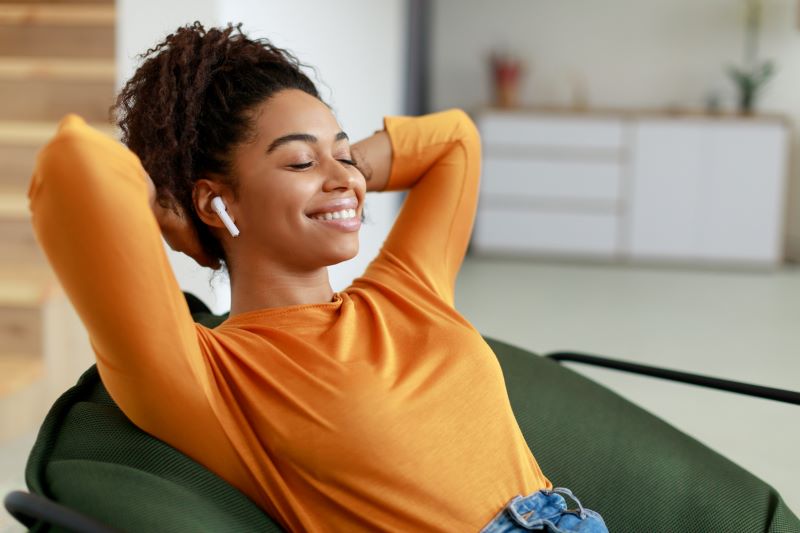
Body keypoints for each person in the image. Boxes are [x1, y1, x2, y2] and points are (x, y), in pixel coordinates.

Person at [29, 22, 607, 533]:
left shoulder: (405, 290)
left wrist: (337, 169)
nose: (346, 179)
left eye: (345, 154)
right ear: (216, 202)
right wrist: (178, 212)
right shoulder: (213, 376)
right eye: (300, 162)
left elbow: (456, 139)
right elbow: (78, 166)